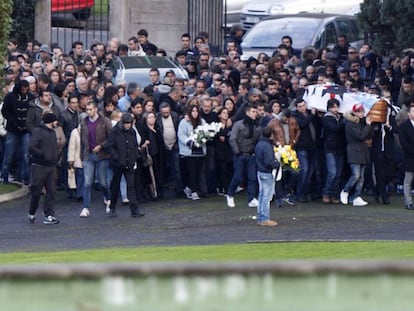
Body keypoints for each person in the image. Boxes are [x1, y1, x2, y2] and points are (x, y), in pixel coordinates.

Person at [106, 113, 145, 217]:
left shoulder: (132, 132)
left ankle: (134, 209)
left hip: (129, 162)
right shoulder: (114, 131)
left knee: (131, 186)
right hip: (118, 163)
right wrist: (116, 157)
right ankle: (112, 207)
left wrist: (134, 157)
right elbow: (109, 146)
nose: (128, 126)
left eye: (129, 123)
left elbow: (134, 146)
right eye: (126, 123)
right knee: (115, 186)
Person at [79, 101, 112, 217]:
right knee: (87, 182)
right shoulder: (83, 122)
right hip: (88, 155)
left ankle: (109, 199)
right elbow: (82, 141)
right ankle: (85, 207)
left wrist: (101, 146)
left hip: (102, 155)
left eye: (90, 110)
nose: (88, 112)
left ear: (95, 110)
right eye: (87, 110)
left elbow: (111, 138)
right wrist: (81, 157)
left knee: (103, 182)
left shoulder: (104, 121)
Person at [226, 105, 261, 208]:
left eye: (256, 111)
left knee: (252, 177)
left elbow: (257, 139)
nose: (255, 113)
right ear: (247, 112)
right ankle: (230, 194)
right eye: (253, 111)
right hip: (240, 154)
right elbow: (233, 138)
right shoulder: (239, 124)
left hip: (251, 154)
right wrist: (237, 152)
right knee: (237, 176)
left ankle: (251, 198)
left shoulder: (256, 125)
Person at [28, 113, 60, 225]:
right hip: (39, 166)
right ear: (51, 121)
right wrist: (42, 155)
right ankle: (32, 212)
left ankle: (49, 215)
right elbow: (32, 146)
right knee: (36, 192)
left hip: (51, 166)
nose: (57, 123)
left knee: (51, 191)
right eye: (55, 121)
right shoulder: (38, 131)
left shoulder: (53, 132)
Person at [340, 103, 373, 206]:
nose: (362, 113)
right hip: (354, 151)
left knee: (361, 177)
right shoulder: (350, 124)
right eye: (360, 111)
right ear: (355, 113)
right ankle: (345, 191)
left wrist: (368, 126)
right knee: (356, 175)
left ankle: (356, 196)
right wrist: (367, 125)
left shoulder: (361, 122)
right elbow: (360, 136)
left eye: (362, 111)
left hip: (362, 151)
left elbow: (368, 134)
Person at [1, 80, 34, 184]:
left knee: (26, 155)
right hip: (13, 130)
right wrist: (13, 121)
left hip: (25, 130)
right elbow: (5, 111)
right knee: (9, 154)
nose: (24, 91)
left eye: (26, 89)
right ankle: (4, 176)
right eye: (23, 89)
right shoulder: (10, 97)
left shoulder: (31, 97)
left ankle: (25, 177)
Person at [177, 105, 207, 200]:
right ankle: (193, 191)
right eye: (193, 111)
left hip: (200, 151)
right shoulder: (184, 122)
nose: (195, 113)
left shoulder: (202, 122)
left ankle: (195, 189)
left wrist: (202, 139)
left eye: (196, 111)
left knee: (199, 172)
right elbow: (181, 135)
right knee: (191, 172)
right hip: (188, 152)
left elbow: (207, 131)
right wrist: (189, 142)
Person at [321, 98, 346, 204]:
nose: (336, 109)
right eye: (333, 107)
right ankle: (326, 193)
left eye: (337, 107)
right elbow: (335, 128)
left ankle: (334, 194)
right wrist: (344, 120)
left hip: (339, 147)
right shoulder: (327, 118)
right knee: (332, 172)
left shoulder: (339, 117)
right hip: (330, 147)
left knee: (338, 173)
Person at [255, 126, 279, 227]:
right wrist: (277, 163)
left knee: (261, 195)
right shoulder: (267, 146)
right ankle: (265, 218)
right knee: (266, 197)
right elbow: (269, 162)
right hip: (267, 173)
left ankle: (260, 218)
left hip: (260, 172)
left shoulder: (259, 144)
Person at [398, 104, 414, 210]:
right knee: (408, 181)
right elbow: (404, 143)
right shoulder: (404, 126)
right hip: (410, 157)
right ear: (408, 113)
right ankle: (408, 201)